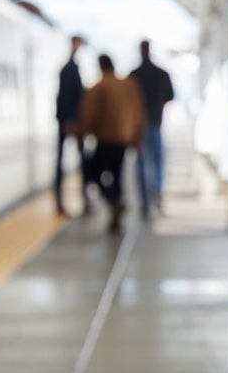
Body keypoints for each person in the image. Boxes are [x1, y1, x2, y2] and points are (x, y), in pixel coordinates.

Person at [78, 54, 143, 233]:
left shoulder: (98, 88)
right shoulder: (129, 85)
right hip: (124, 140)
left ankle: (114, 202)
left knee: (94, 173)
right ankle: (117, 206)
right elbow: (139, 113)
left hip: (105, 140)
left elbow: (88, 115)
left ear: (100, 67)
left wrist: (80, 138)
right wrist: (138, 139)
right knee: (118, 175)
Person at [128, 40, 175, 218]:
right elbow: (170, 95)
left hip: (139, 128)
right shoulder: (161, 74)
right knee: (158, 161)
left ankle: (145, 201)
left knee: (141, 163)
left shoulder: (134, 75)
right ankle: (157, 190)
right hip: (156, 122)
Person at [54, 34, 89, 216]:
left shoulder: (70, 68)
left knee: (72, 161)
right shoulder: (70, 69)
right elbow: (67, 96)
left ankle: (72, 200)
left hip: (67, 120)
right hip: (70, 121)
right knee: (78, 161)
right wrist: (69, 120)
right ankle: (72, 200)